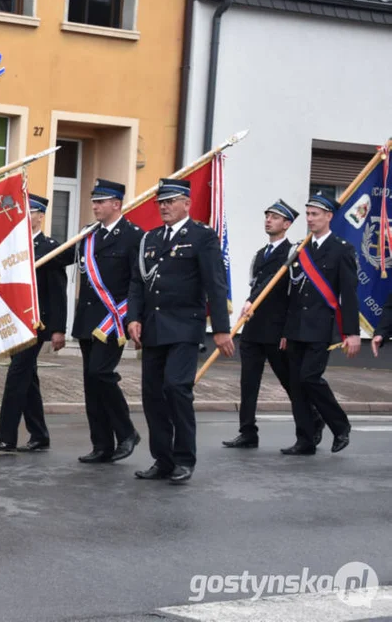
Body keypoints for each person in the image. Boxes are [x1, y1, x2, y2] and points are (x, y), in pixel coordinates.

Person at [128, 178, 233, 484]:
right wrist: (133, 317)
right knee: (152, 395)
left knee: (176, 388)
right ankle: (163, 459)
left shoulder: (202, 236)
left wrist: (221, 330)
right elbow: (137, 283)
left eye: (171, 201)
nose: (165, 207)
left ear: (186, 203)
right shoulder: (150, 238)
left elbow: (215, 283)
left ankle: (184, 459)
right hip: (154, 328)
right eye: (161, 202)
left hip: (186, 326)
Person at [224, 200, 323, 449]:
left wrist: (288, 330)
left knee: (290, 382)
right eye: (267, 216)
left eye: (275, 217)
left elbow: (294, 295)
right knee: (248, 383)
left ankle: (312, 419)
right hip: (254, 328)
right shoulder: (260, 254)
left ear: (287, 224)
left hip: (278, 330)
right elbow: (255, 285)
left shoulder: (294, 253)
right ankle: (247, 431)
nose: (269, 220)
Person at [0, 193, 66, 453]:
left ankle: (6, 437)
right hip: (15, 320)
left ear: (40, 216)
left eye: (30, 212)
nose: (24, 217)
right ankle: (40, 434)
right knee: (27, 378)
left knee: (17, 375)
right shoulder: (13, 246)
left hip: (36, 323)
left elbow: (57, 291)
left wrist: (58, 329)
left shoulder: (50, 247)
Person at [279, 191, 358, 456]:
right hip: (296, 327)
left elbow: (348, 294)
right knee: (297, 386)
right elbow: (292, 292)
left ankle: (340, 425)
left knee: (310, 378)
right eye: (308, 214)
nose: (310, 219)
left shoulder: (342, 249)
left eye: (315, 214)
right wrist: (285, 330)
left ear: (328, 216)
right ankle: (305, 439)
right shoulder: (301, 248)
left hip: (321, 328)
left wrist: (352, 333)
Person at [71, 179, 143, 463]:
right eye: (94, 201)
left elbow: (138, 282)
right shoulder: (87, 235)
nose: (95, 206)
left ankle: (126, 432)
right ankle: (101, 444)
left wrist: (135, 318)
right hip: (88, 319)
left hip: (114, 319)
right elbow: (66, 258)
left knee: (102, 374)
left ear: (116, 204)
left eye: (100, 202)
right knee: (91, 382)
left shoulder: (134, 236)